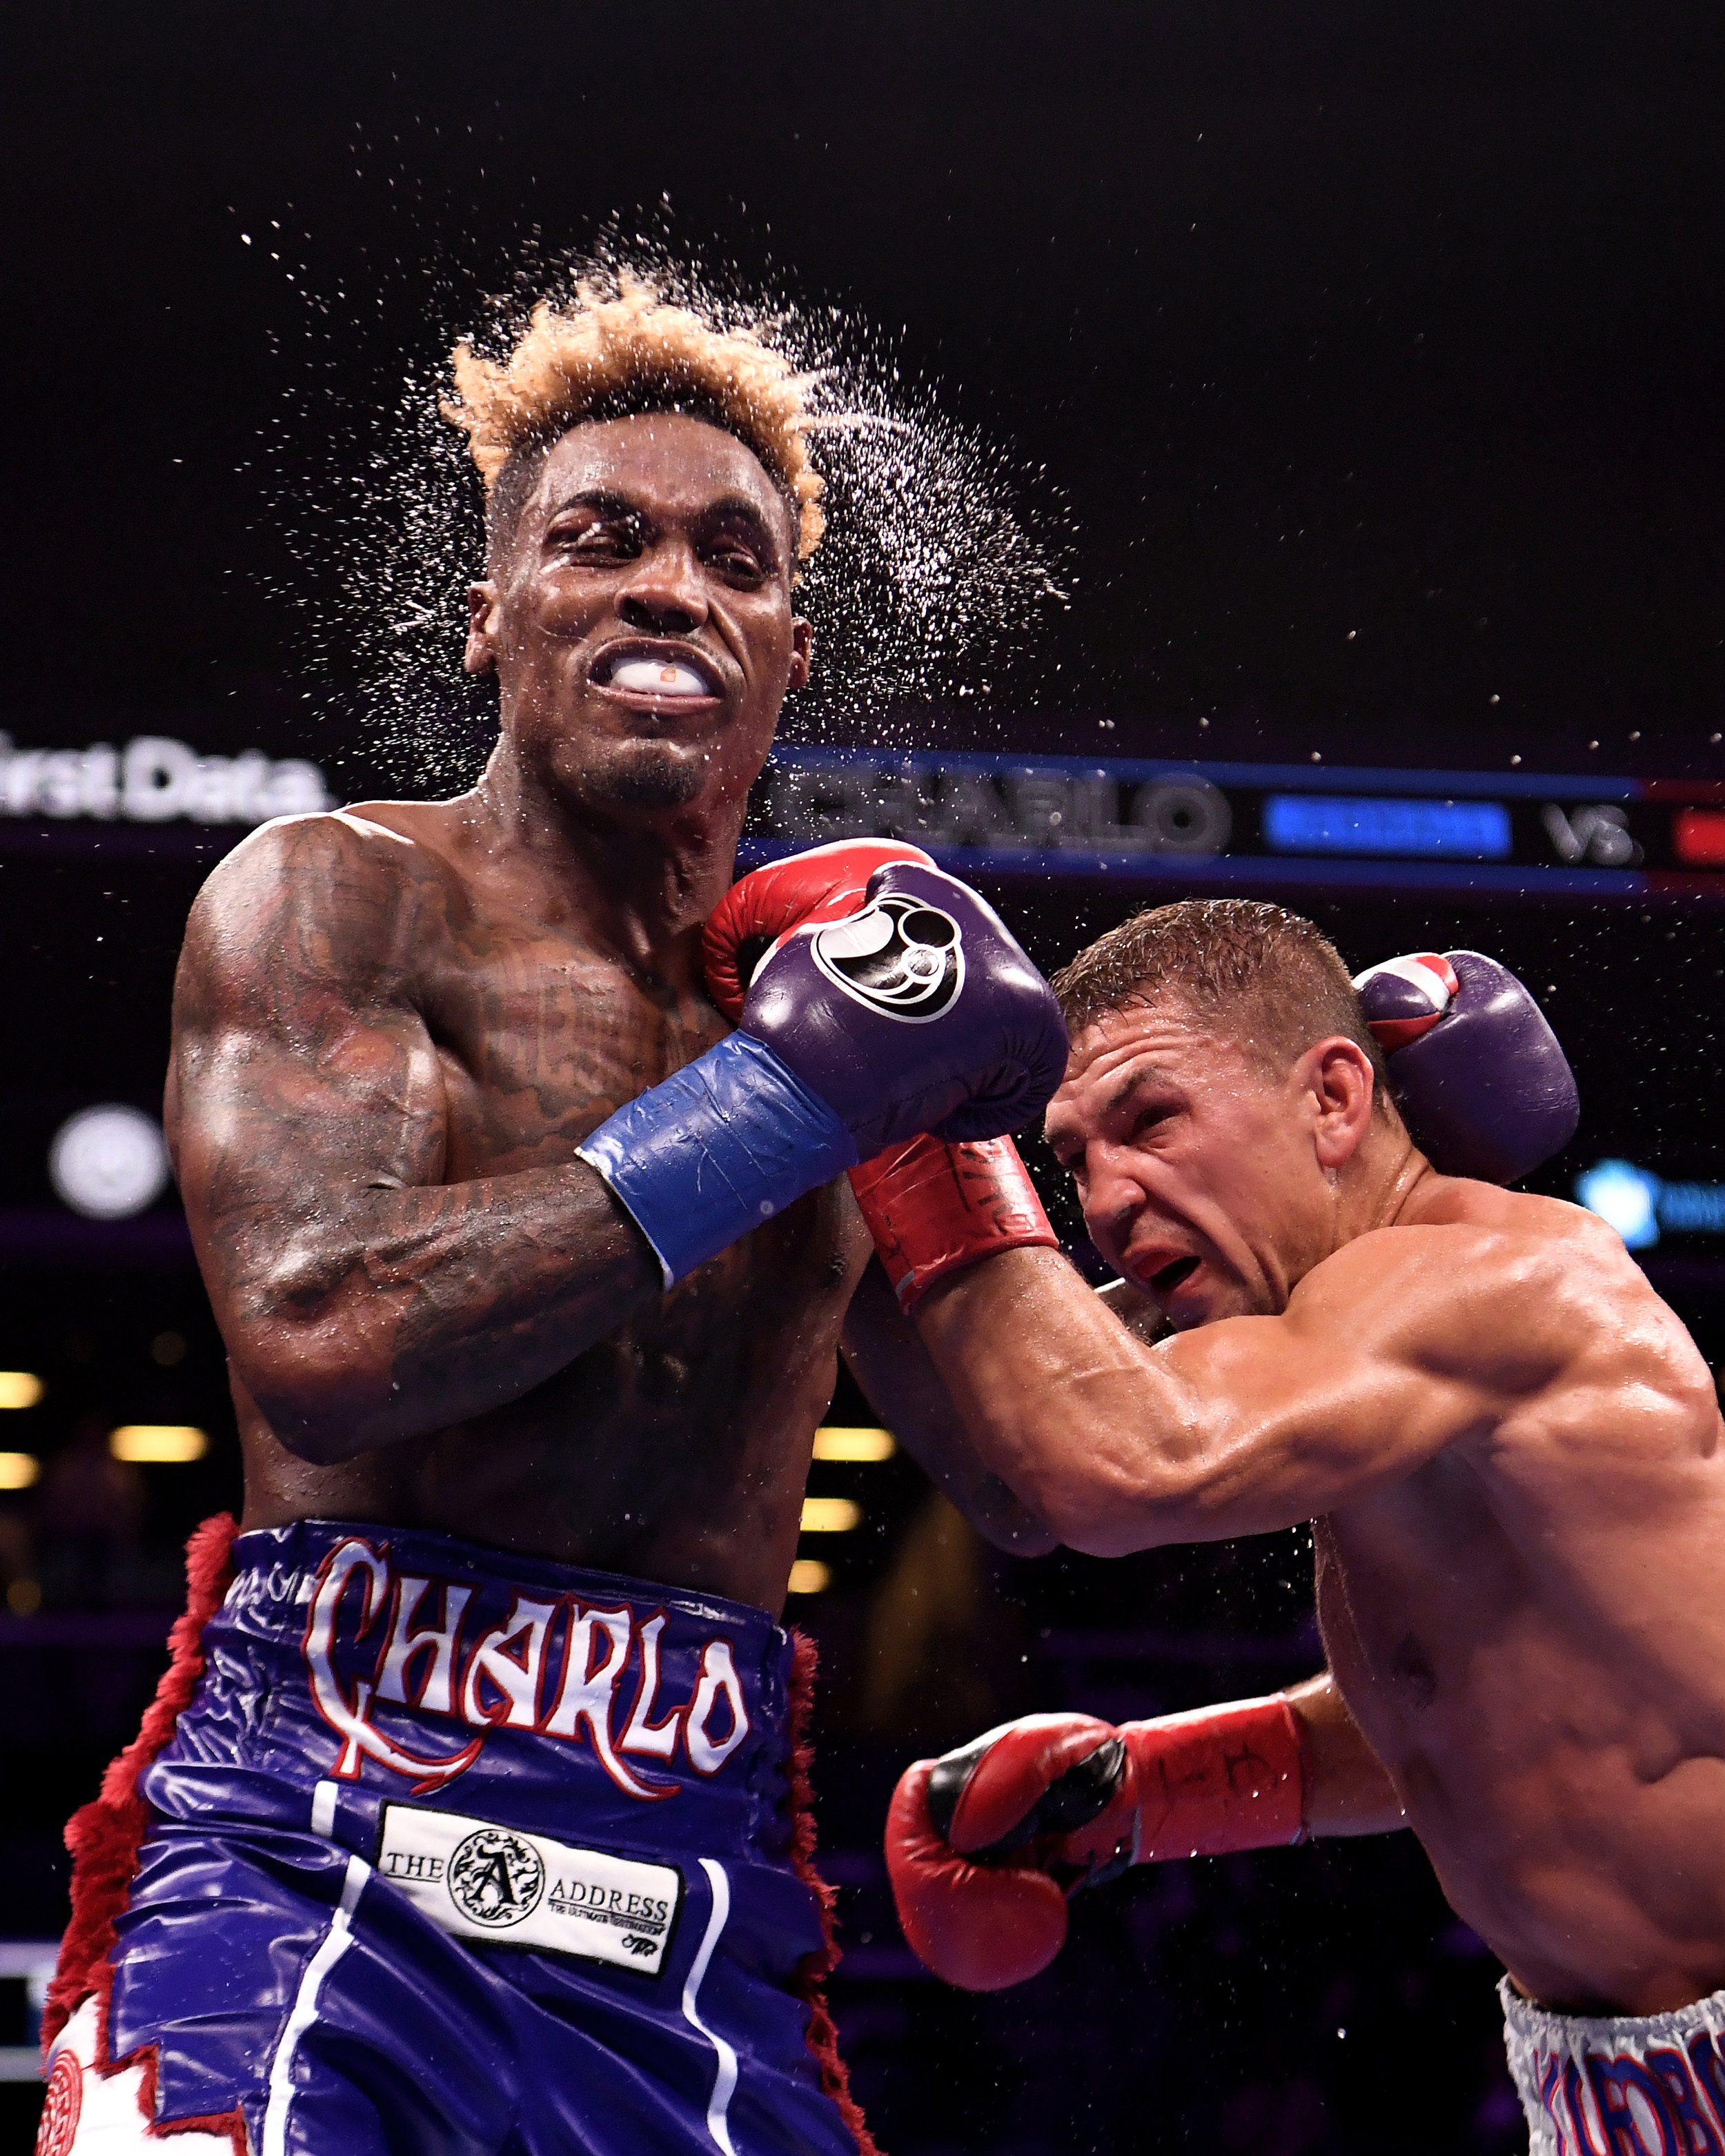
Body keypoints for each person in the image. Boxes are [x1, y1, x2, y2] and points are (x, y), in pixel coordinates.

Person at [37, 282, 1070, 2156]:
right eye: (600, 541)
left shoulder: (831, 993)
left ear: (786, 647)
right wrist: (794, 1101)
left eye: (726, 558)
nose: (668, 585)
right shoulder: (343, 899)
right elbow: (326, 1338)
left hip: (687, 1909)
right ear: (489, 617)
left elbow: (1044, 1470)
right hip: (305, 1864)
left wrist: (1368, 1204)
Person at [871, 898, 1725, 2155]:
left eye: (1150, 1120)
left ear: (1335, 1099)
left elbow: (1115, 1466)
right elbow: (1474, 1709)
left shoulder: (1490, 1277)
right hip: (1607, 2087)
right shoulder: (1367, 1369)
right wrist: (1147, 1790)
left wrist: (921, 1138)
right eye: (1073, 1158)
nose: (1103, 1201)